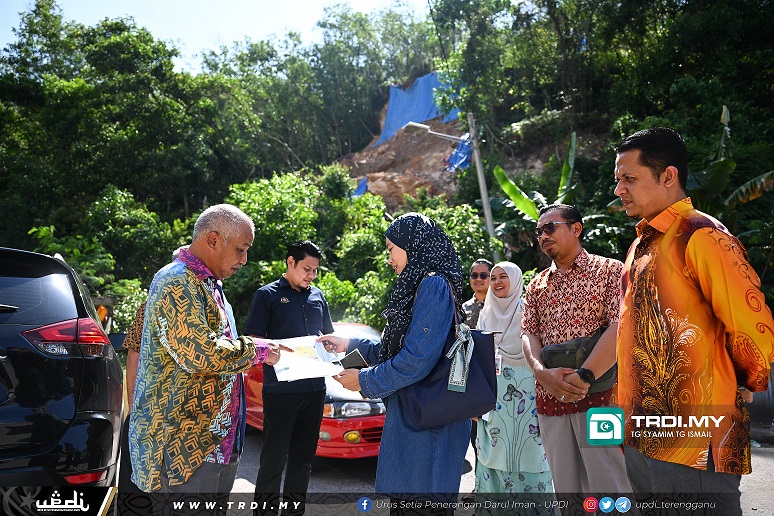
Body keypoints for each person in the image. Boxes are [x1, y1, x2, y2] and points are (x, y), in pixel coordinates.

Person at [614, 127, 774, 513]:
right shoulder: (640, 244)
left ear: (668, 176)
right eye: (618, 179)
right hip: (640, 432)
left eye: (629, 178)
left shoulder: (701, 235)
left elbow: (751, 323)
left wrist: (745, 382)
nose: (619, 190)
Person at [129, 204, 286, 499]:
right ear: (213, 240)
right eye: (241, 249)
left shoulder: (210, 284)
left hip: (214, 444)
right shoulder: (176, 281)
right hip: (184, 452)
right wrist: (259, 350)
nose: (244, 260)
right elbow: (201, 353)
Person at [321, 212, 470, 501]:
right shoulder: (421, 285)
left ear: (413, 244)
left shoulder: (433, 285)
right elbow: (398, 348)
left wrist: (364, 380)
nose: (389, 259)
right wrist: (348, 344)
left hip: (429, 424)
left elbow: (416, 359)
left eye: (391, 249)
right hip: (419, 417)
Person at [521, 204, 631, 499]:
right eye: (539, 231)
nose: (543, 236)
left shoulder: (610, 271)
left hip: (601, 397)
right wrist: (541, 374)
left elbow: (620, 327)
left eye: (550, 228)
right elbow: (528, 333)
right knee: (567, 493)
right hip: (551, 398)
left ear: (576, 228)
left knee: (611, 487)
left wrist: (584, 376)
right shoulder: (537, 285)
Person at [245, 240, 335, 516]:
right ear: (290, 262)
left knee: (303, 461)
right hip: (281, 391)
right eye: (307, 269)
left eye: (315, 270)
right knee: (273, 461)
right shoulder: (267, 295)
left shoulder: (318, 296)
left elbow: (328, 335)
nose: (312, 275)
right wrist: (271, 348)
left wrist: (330, 345)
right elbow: (254, 340)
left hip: (314, 389)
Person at [475, 262, 552, 496]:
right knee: (492, 457)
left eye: (503, 276)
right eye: (493, 278)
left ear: (516, 279)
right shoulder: (485, 314)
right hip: (492, 403)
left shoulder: (527, 312)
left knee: (531, 456)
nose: (497, 282)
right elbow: (476, 360)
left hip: (527, 401)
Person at [463, 258, 493, 328]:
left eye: (483, 275)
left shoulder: (499, 305)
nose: (478, 279)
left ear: (492, 278)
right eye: (474, 275)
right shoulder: (464, 308)